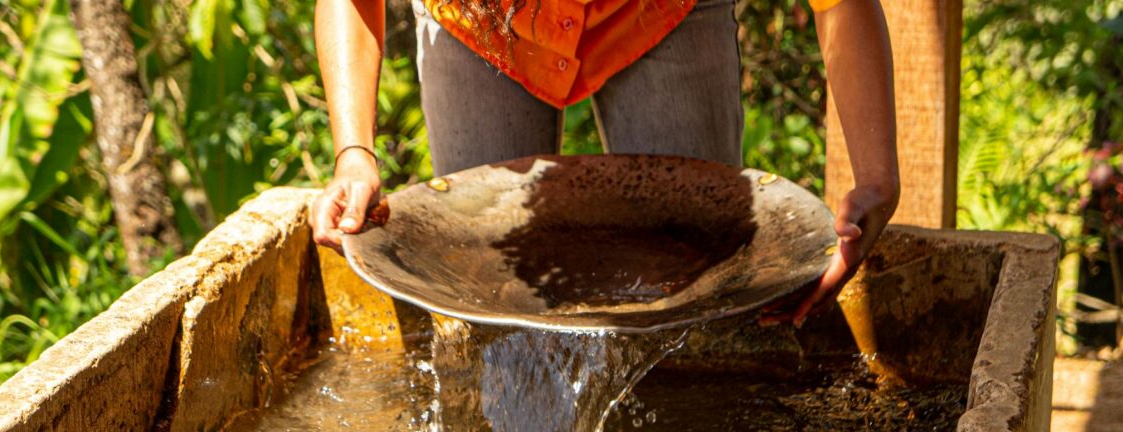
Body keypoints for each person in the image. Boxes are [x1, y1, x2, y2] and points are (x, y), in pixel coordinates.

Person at [310, 0, 899, 325]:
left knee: (697, 291)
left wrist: (876, 175)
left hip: (661, 11)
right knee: (481, 302)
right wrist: (354, 154)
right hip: (482, 23)